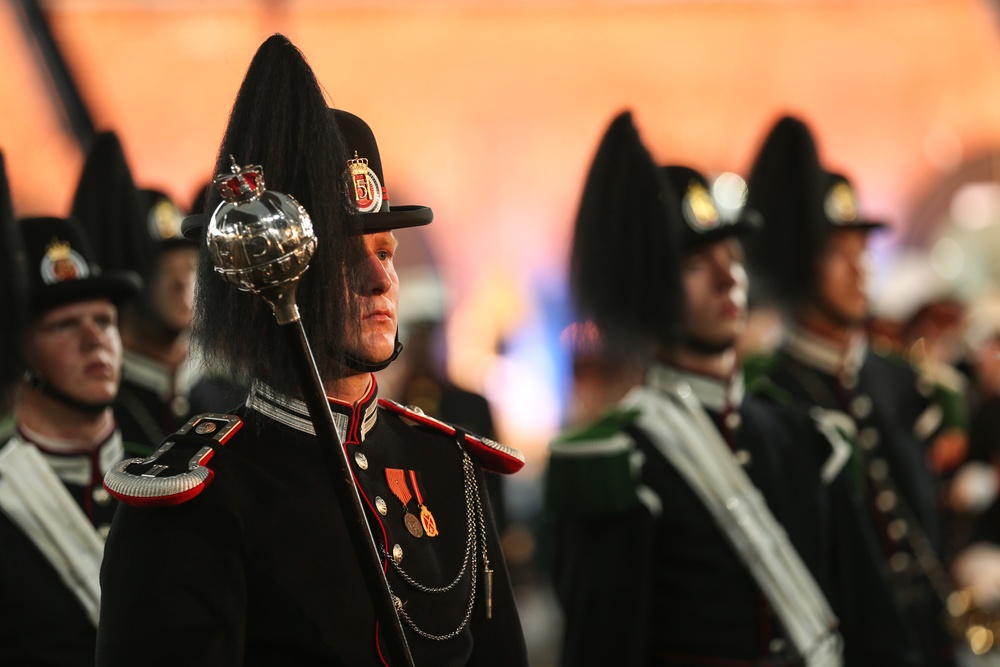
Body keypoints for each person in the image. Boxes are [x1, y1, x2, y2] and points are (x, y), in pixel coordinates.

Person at [96, 34, 528, 667]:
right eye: (349, 256)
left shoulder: (447, 466)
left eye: (386, 253)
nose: (381, 279)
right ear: (283, 274)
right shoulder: (203, 494)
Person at [545, 111, 911, 666]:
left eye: (731, 252)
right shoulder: (623, 465)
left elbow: (874, 633)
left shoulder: (809, 440)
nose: (728, 275)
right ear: (650, 284)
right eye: (696, 261)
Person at [742, 114, 957, 666]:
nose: (860, 268)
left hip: (927, 635)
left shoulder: (902, 379)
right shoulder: (772, 394)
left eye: (863, 250)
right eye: (838, 253)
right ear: (800, 264)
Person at [0, 214, 140, 665]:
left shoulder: (173, 465)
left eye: (104, 319)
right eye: (63, 325)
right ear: (17, 353)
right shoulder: (8, 494)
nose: (94, 339)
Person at [71, 134, 243, 455]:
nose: (182, 285)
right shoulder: (101, 403)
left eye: (190, 268)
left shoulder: (234, 388)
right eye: (163, 271)